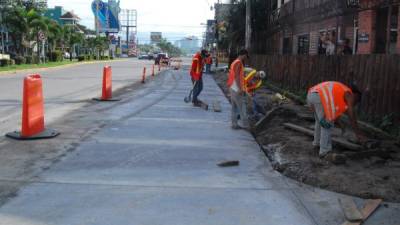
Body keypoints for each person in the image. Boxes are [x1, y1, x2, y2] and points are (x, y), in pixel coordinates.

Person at [307, 81, 365, 157]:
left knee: (320, 122)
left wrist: (342, 126)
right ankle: (325, 151)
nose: (355, 103)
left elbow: (335, 114)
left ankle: (317, 144)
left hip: (311, 95)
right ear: (356, 95)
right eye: (357, 101)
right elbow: (351, 115)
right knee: (328, 123)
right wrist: (358, 134)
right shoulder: (349, 93)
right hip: (319, 96)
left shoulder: (339, 93)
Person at [227, 49, 250, 129]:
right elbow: (237, 76)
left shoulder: (234, 62)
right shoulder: (239, 63)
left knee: (234, 108)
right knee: (242, 108)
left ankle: (234, 124)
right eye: (246, 56)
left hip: (232, 87)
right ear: (243, 55)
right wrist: (240, 88)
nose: (245, 58)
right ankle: (246, 125)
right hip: (236, 88)